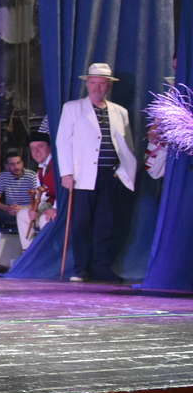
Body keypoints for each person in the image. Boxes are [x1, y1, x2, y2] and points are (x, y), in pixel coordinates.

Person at [55, 62, 136, 283]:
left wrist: (122, 170)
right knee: (81, 223)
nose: (97, 87)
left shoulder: (120, 112)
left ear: (109, 85)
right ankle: (81, 268)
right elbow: (63, 142)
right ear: (87, 84)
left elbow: (127, 145)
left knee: (106, 224)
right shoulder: (72, 108)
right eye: (93, 83)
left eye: (102, 83)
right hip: (82, 176)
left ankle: (102, 266)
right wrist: (66, 173)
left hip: (109, 176)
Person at [18, 131, 58, 248]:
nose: (36, 151)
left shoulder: (58, 165)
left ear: (50, 148)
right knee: (23, 214)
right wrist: (35, 210)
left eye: (40, 146)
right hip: (49, 205)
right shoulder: (40, 171)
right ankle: (28, 251)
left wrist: (56, 208)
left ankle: (48, 254)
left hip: (62, 207)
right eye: (32, 148)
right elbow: (42, 197)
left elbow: (64, 191)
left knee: (45, 219)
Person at [0, 149, 38, 234]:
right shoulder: (3, 176)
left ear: (22, 163)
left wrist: (23, 209)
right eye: (12, 164)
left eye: (18, 163)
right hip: (10, 210)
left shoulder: (32, 176)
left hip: (27, 210)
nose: (16, 167)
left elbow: (39, 201)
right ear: (7, 166)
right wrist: (6, 208)